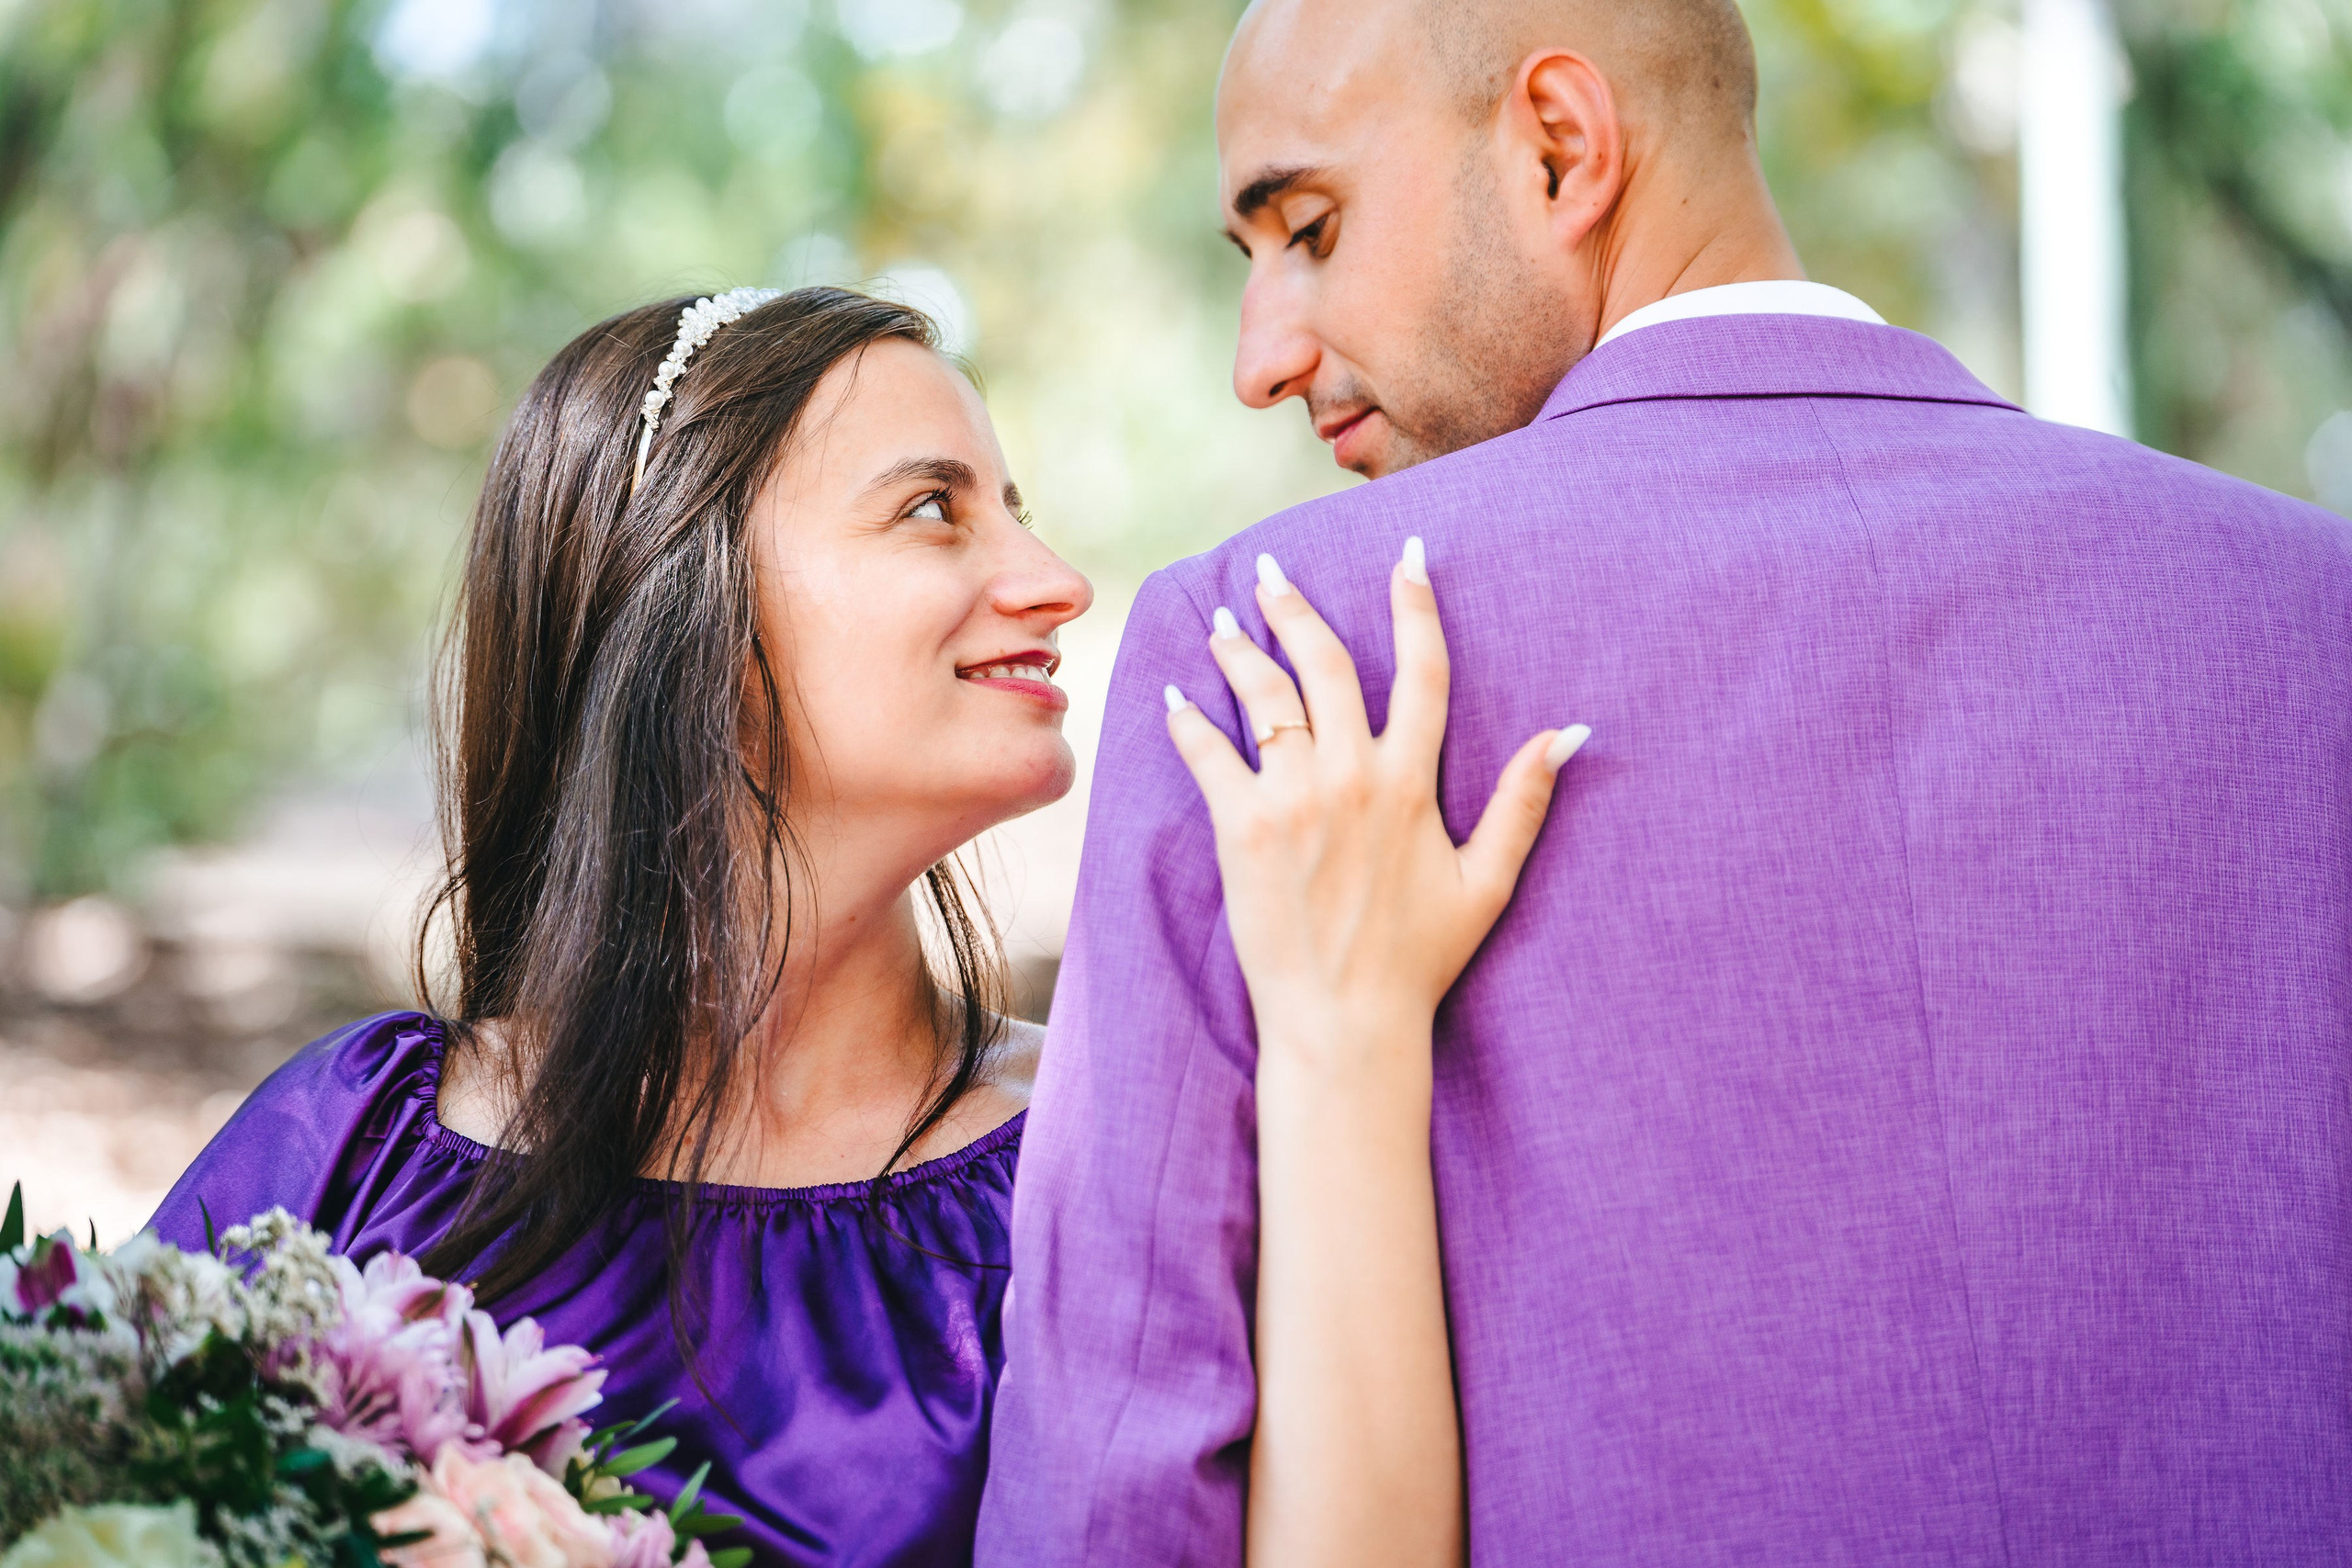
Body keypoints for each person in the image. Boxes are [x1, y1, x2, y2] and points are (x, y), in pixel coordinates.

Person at [976, 0, 2352, 1562]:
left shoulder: (1273, 660)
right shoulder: (2318, 620)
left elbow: (1113, 1505)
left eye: (1310, 226)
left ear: (1563, 148)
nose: (1260, 359)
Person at [145, 285, 1577, 1566]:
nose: (1059, 581)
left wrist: (1357, 1025)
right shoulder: (352, 1145)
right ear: (683, 604)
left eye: (1017, 502)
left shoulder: (1109, 1144)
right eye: (935, 507)